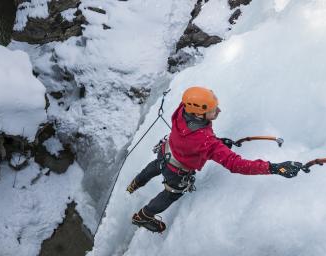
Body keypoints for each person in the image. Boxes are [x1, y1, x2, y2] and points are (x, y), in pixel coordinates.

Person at [126, 86, 304, 233]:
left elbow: (195, 135)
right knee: (170, 194)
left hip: (167, 151)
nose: (218, 110)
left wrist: (216, 142)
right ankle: (143, 216)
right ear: (198, 114)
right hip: (177, 172)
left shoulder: (182, 110)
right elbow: (237, 165)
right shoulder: (206, 142)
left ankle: (135, 183)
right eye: (212, 110)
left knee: (156, 166)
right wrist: (273, 168)